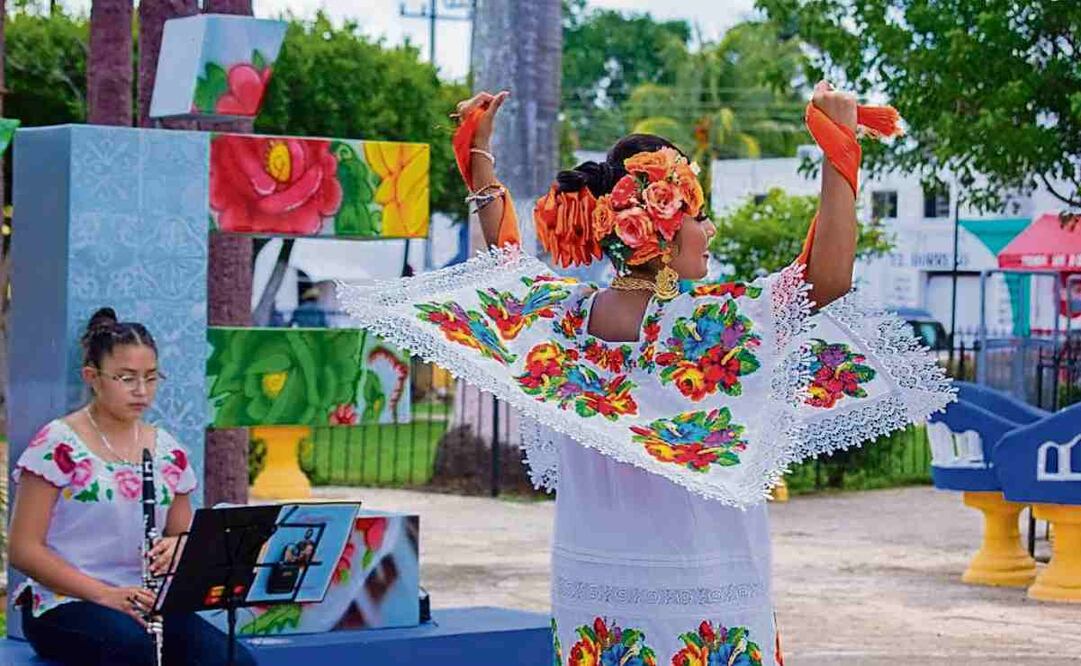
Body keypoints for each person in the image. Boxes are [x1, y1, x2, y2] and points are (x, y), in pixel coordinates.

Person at [337, 84, 954, 664]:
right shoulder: (715, 326)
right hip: (707, 591)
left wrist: (479, 162)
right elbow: (827, 280)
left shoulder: (564, 323)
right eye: (697, 216)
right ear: (659, 228)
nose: (709, 230)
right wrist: (838, 147)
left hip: (594, 599)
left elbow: (505, 267)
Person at [8, 308, 257, 666]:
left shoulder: (168, 450)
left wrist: (178, 546)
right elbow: (23, 549)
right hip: (64, 603)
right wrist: (104, 594)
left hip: (145, 602)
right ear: (92, 377)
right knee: (134, 651)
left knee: (234, 661)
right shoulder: (57, 443)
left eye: (151, 378)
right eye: (126, 378)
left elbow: (185, 535)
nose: (142, 391)